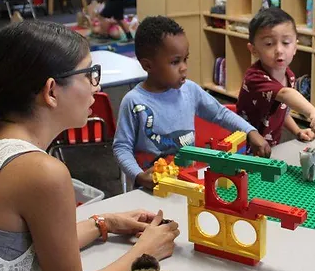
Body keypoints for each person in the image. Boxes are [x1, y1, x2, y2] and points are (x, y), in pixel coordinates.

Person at [0, 21, 179, 271]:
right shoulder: (41, 172)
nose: (97, 86)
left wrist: (104, 223)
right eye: (89, 74)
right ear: (51, 90)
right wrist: (145, 252)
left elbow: (30, 244)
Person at [114, 16, 270, 190]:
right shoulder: (133, 102)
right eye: (175, 62)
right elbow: (121, 147)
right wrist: (139, 176)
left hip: (187, 183)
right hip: (150, 189)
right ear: (148, 66)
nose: (184, 67)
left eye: (185, 59)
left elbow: (221, 113)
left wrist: (251, 131)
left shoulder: (190, 90)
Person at [237, 8, 315, 147]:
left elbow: (282, 110)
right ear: (253, 50)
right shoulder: (254, 77)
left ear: (295, 47)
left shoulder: (289, 76)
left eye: (286, 42)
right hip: (245, 150)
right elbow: (285, 94)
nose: (279, 50)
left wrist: (298, 131)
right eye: (269, 44)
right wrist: (313, 112)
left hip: (270, 149)